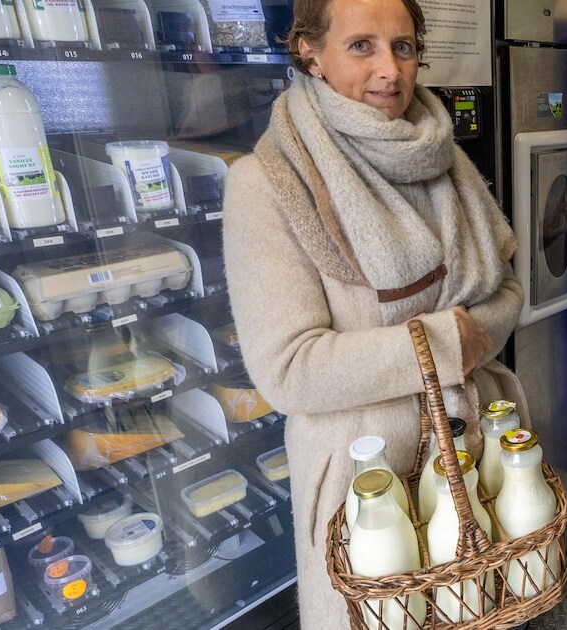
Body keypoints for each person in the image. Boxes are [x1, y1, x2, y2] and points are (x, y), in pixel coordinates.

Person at [222, 0, 524, 627]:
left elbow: (506, 290)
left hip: (470, 456)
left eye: (405, 47)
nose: (391, 69)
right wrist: (446, 343)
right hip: (368, 486)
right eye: (362, 46)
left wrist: (467, 336)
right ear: (309, 50)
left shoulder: (440, 154)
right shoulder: (268, 182)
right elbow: (290, 368)